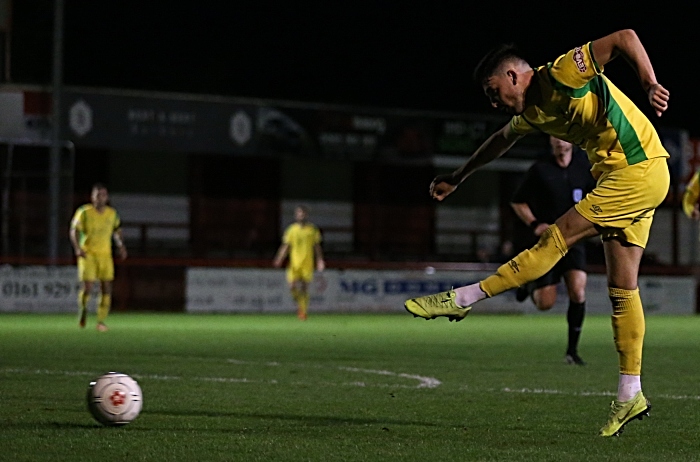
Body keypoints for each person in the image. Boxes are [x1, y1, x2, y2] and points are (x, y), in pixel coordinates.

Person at [404, 29, 670, 437]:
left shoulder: (561, 73)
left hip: (638, 168)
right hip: (624, 175)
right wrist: (458, 176)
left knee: (555, 238)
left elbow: (625, 38)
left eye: (494, 91)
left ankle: (463, 298)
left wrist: (649, 82)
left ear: (513, 77)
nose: (493, 102)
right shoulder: (532, 114)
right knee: (622, 288)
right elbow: (498, 142)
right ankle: (630, 394)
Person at [510, 136, 596, 366]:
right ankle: (528, 284)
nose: (559, 141)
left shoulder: (584, 167)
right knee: (545, 303)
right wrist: (534, 223)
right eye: (554, 137)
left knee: (578, 291)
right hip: (547, 242)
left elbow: (596, 197)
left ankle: (572, 351)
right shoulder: (540, 169)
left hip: (573, 241)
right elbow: (518, 202)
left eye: (564, 137)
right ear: (549, 141)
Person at [69, 183, 128, 332]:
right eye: (97, 195)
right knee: (88, 287)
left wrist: (121, 246)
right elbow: (73, 230)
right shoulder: (84, 212)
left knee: (106, 287)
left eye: (102, 195)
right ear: (92, 197)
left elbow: (116, 231)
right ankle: (83, 310)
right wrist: (77, 248)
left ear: (106, 197)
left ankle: (101, 320)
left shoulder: (112, 214)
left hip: (105, 255)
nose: (99, 198)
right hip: (88, 254)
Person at [273, 205, 325, 320]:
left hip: (307, 263)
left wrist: (320, 260)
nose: (300, 215)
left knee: (305, 288)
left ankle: (303, 311)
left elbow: (317, 246)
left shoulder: (312, 230)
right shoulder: (291, 230)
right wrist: (279, 258)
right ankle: (301, 304)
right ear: (296, 215)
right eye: (298, 213)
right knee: (292, 286)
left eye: (302, 213)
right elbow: (286, 246)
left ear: (306, 215)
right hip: (294, 263)